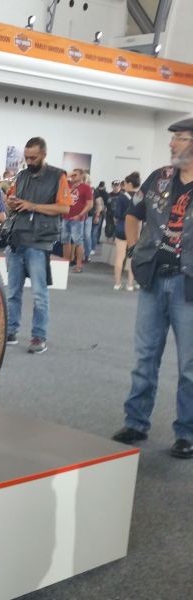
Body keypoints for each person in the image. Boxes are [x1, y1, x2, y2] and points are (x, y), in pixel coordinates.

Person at [111, 118, 193, 459]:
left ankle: (187, 432)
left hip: (188, 284)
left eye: (180, 138)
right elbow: (134, 213)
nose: (172, 144)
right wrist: (133, 248)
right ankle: (136, 421)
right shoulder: (159, 178)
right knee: (145, 356)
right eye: (173, 138)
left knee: (190, 366)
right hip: (153, 278)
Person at [4, 137, 72, 354]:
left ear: (44, 154)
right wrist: (11, 202)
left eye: (33, 157)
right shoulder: (22, 175)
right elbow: (10, 198)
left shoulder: (58, 176)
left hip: (39, 242)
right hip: (17, 238)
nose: (29, 161)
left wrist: (33, 206)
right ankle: (11, 330)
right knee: (12, 292)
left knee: (39, 294)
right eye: (26, 157)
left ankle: (39, 336)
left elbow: (64, 208)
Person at [108, 177, 137, 291]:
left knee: (119, 257)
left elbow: (117, 214)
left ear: (128, 183)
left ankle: (117, 283)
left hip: (122, 227)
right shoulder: (141, 196)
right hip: (135, 229)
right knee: (133, 258)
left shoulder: (121, 197)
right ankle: (130, 284)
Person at [62, 168, 93, 273]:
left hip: (77, 219)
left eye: (75, 175)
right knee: (65, 241)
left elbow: (90, 204)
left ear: (81, 176)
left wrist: (80, 215)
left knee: (78, 241)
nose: (72, 176)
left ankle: (79, 265)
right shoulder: (67, 185)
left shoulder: (86, 188)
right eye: (72, 175)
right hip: (65, 217)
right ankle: (65, 263)